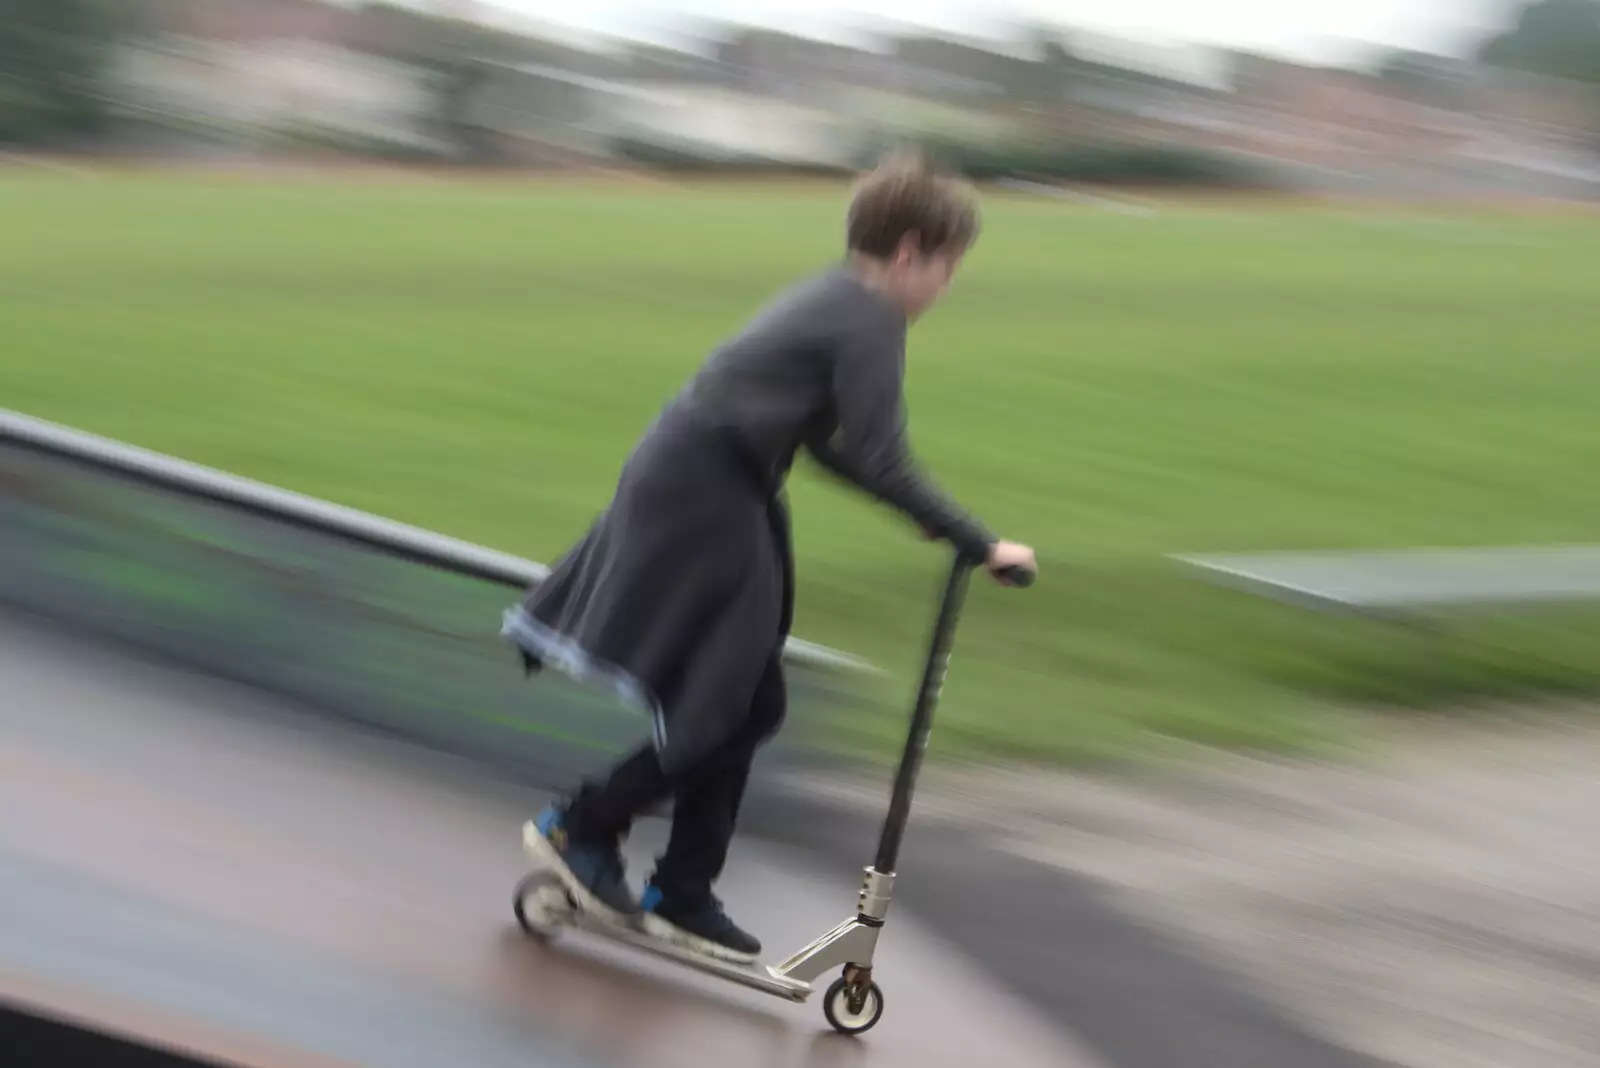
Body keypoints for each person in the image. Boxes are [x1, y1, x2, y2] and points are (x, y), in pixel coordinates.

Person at [502, 148, 1037, 965]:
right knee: (732, 703)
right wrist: (978, 539)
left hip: (704, 486)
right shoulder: (869, 319)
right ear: (908, 252)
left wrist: (926, 521)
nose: (945, 288)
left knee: (747, 702)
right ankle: (586, 828)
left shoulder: (834, 298)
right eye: (947, 268)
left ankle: (680, 886)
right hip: (705, 497)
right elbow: (883, 458)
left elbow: (832, 448)